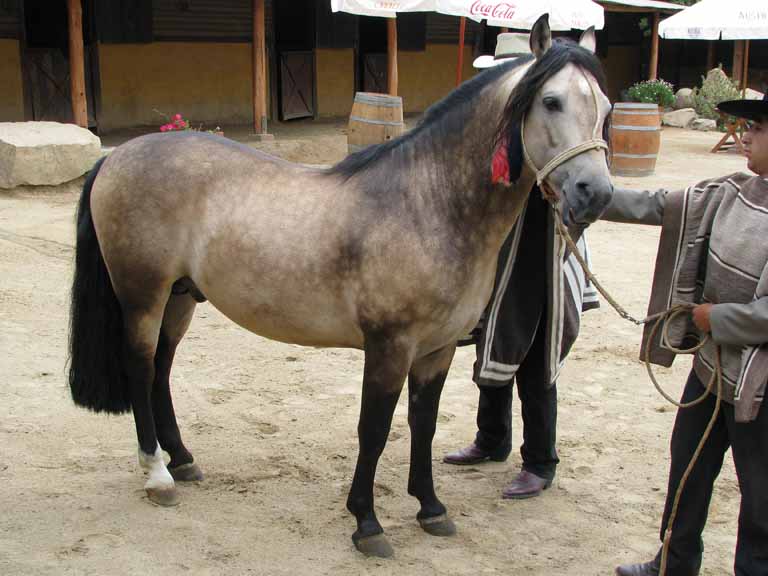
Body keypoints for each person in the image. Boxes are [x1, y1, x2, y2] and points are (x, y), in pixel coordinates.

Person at [613, 93, 768, 575]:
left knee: (761, 494)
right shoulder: (735, 190)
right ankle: (673, 565)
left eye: (758, 130)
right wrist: (591, 196)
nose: (745, 137)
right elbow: (666, 206)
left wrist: (715, 319)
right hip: (711, 370)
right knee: (688, 468)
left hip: (759, 388)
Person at [445, 32, 599, 500]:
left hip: (538, 247)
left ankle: (540, 460)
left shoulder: (554, 116)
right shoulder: (493, 122)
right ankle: (492, 440)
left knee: (533, 350)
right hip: (497, 252)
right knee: (491, 338)